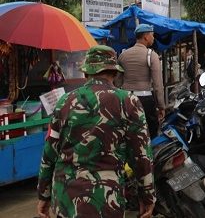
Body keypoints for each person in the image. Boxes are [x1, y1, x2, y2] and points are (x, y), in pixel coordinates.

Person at [37, 45, 154, 218]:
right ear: (115, 73)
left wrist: (43, 195)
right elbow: (141, 156)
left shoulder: (64, 101)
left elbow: (50, 153)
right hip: (106, 200)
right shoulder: (129, 102)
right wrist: (147, 196)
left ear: (86, 73)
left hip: (66, 200)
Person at [117, 24, 165, 139]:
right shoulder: (151, 55)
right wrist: (161, 106)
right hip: (145, 101)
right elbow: (158, 85)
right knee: (150, 134)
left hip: (126, 99)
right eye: (152, 35)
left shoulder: (123, 55)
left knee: (128, 134)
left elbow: (117, 82)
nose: (153, 38)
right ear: (146, 37)